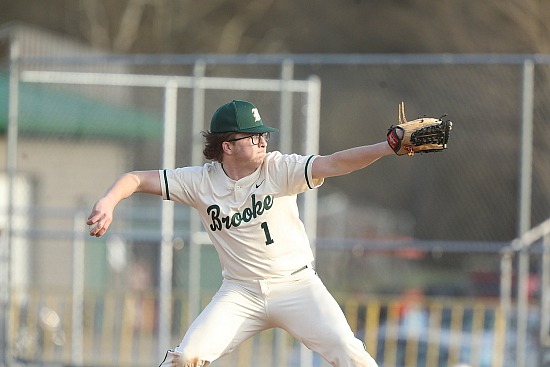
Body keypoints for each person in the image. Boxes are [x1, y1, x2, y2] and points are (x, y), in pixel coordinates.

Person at [87, 100, 393, 367]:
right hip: (240, 292)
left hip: (297, 286)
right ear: (227, 146)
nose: (263, 140)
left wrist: (387, 146)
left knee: (348, 352)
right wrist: (108, 201)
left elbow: (336, 162)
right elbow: (136, 179)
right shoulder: (200, 182)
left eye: (263, 134)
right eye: (253, 135)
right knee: (187, 356)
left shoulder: (278, 168)